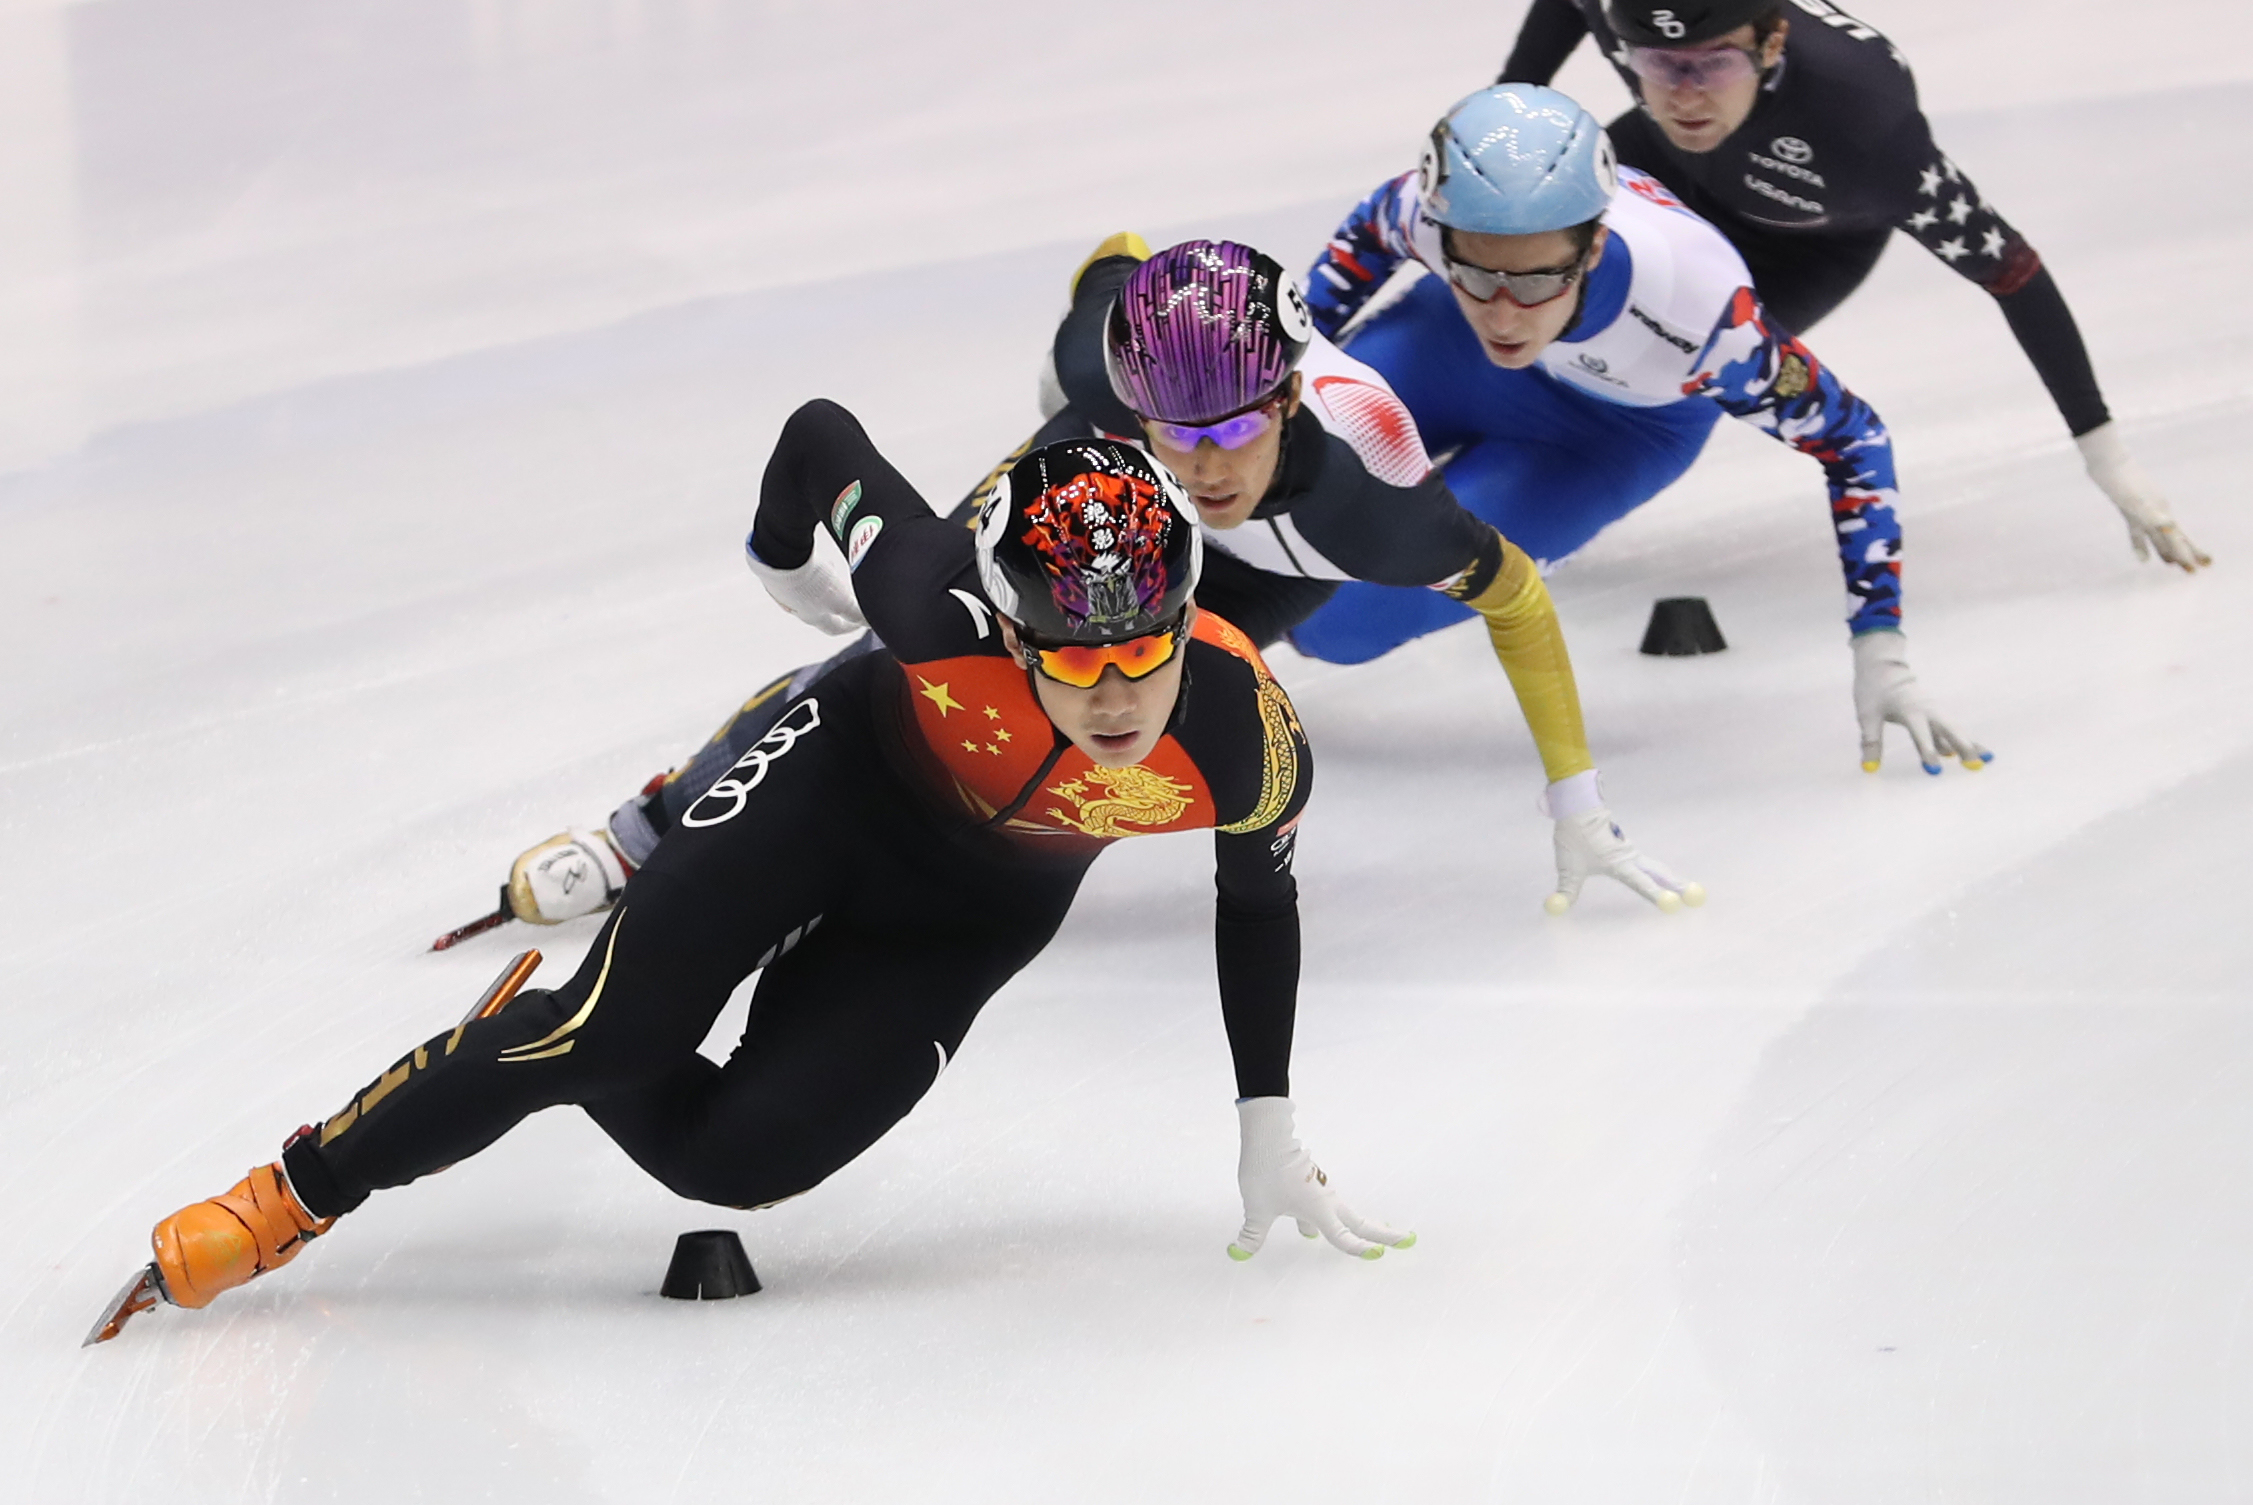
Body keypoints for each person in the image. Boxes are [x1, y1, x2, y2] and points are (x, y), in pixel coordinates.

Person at [89, 411, 1413, 1345]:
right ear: (1008, 630)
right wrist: (783, 553)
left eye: (1144, 655)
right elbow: (822, 434)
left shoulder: (1243, 732)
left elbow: (1260, 906)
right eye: (1070, 661)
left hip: (974, 909)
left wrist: (1264, 1124)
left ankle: (523, 1033)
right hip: (837, 778)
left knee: (730, 1166)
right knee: (612, 1032)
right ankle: (292, 1194)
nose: (1115, 699)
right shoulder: (921, 598)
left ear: (1189, 618)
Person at [490, 236, 1699, 943]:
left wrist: (1577, 800)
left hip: (1274, 577)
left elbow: (1520, 600)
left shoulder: (1376, 491)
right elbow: (1112, 271)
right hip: (1094, 489)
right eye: (1179, 428)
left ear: (1285, 400)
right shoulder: (1114, 385)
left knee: (1091, 734)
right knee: (913, 647)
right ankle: (653, 823)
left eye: (1232, 424)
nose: (1206, 463)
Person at [1298, 82, 1986, 776]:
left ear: (1594, 246)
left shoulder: (1701, 315)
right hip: (1450, 350)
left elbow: (1854, 441)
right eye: (1473, 272)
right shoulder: (1422, 208)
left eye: (1538, 282)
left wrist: (1880, 646)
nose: (1504, 316)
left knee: (1333, 621)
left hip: (1603, 439)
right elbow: (1362, 241)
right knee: (1259, 459)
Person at [1497, 0, 2207, 572]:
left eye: (1712, 66)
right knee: (1512, 255)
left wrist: (2102, 450)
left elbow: (2012, 272)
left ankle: (1530, 488)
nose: (1684, 93)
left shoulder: (1865, 133)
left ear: (1771, 46)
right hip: (1666, 166)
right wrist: (1508, 107)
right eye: (1658, 64)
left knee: (1654, 364)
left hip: (1800, 247)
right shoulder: (1648, 22)